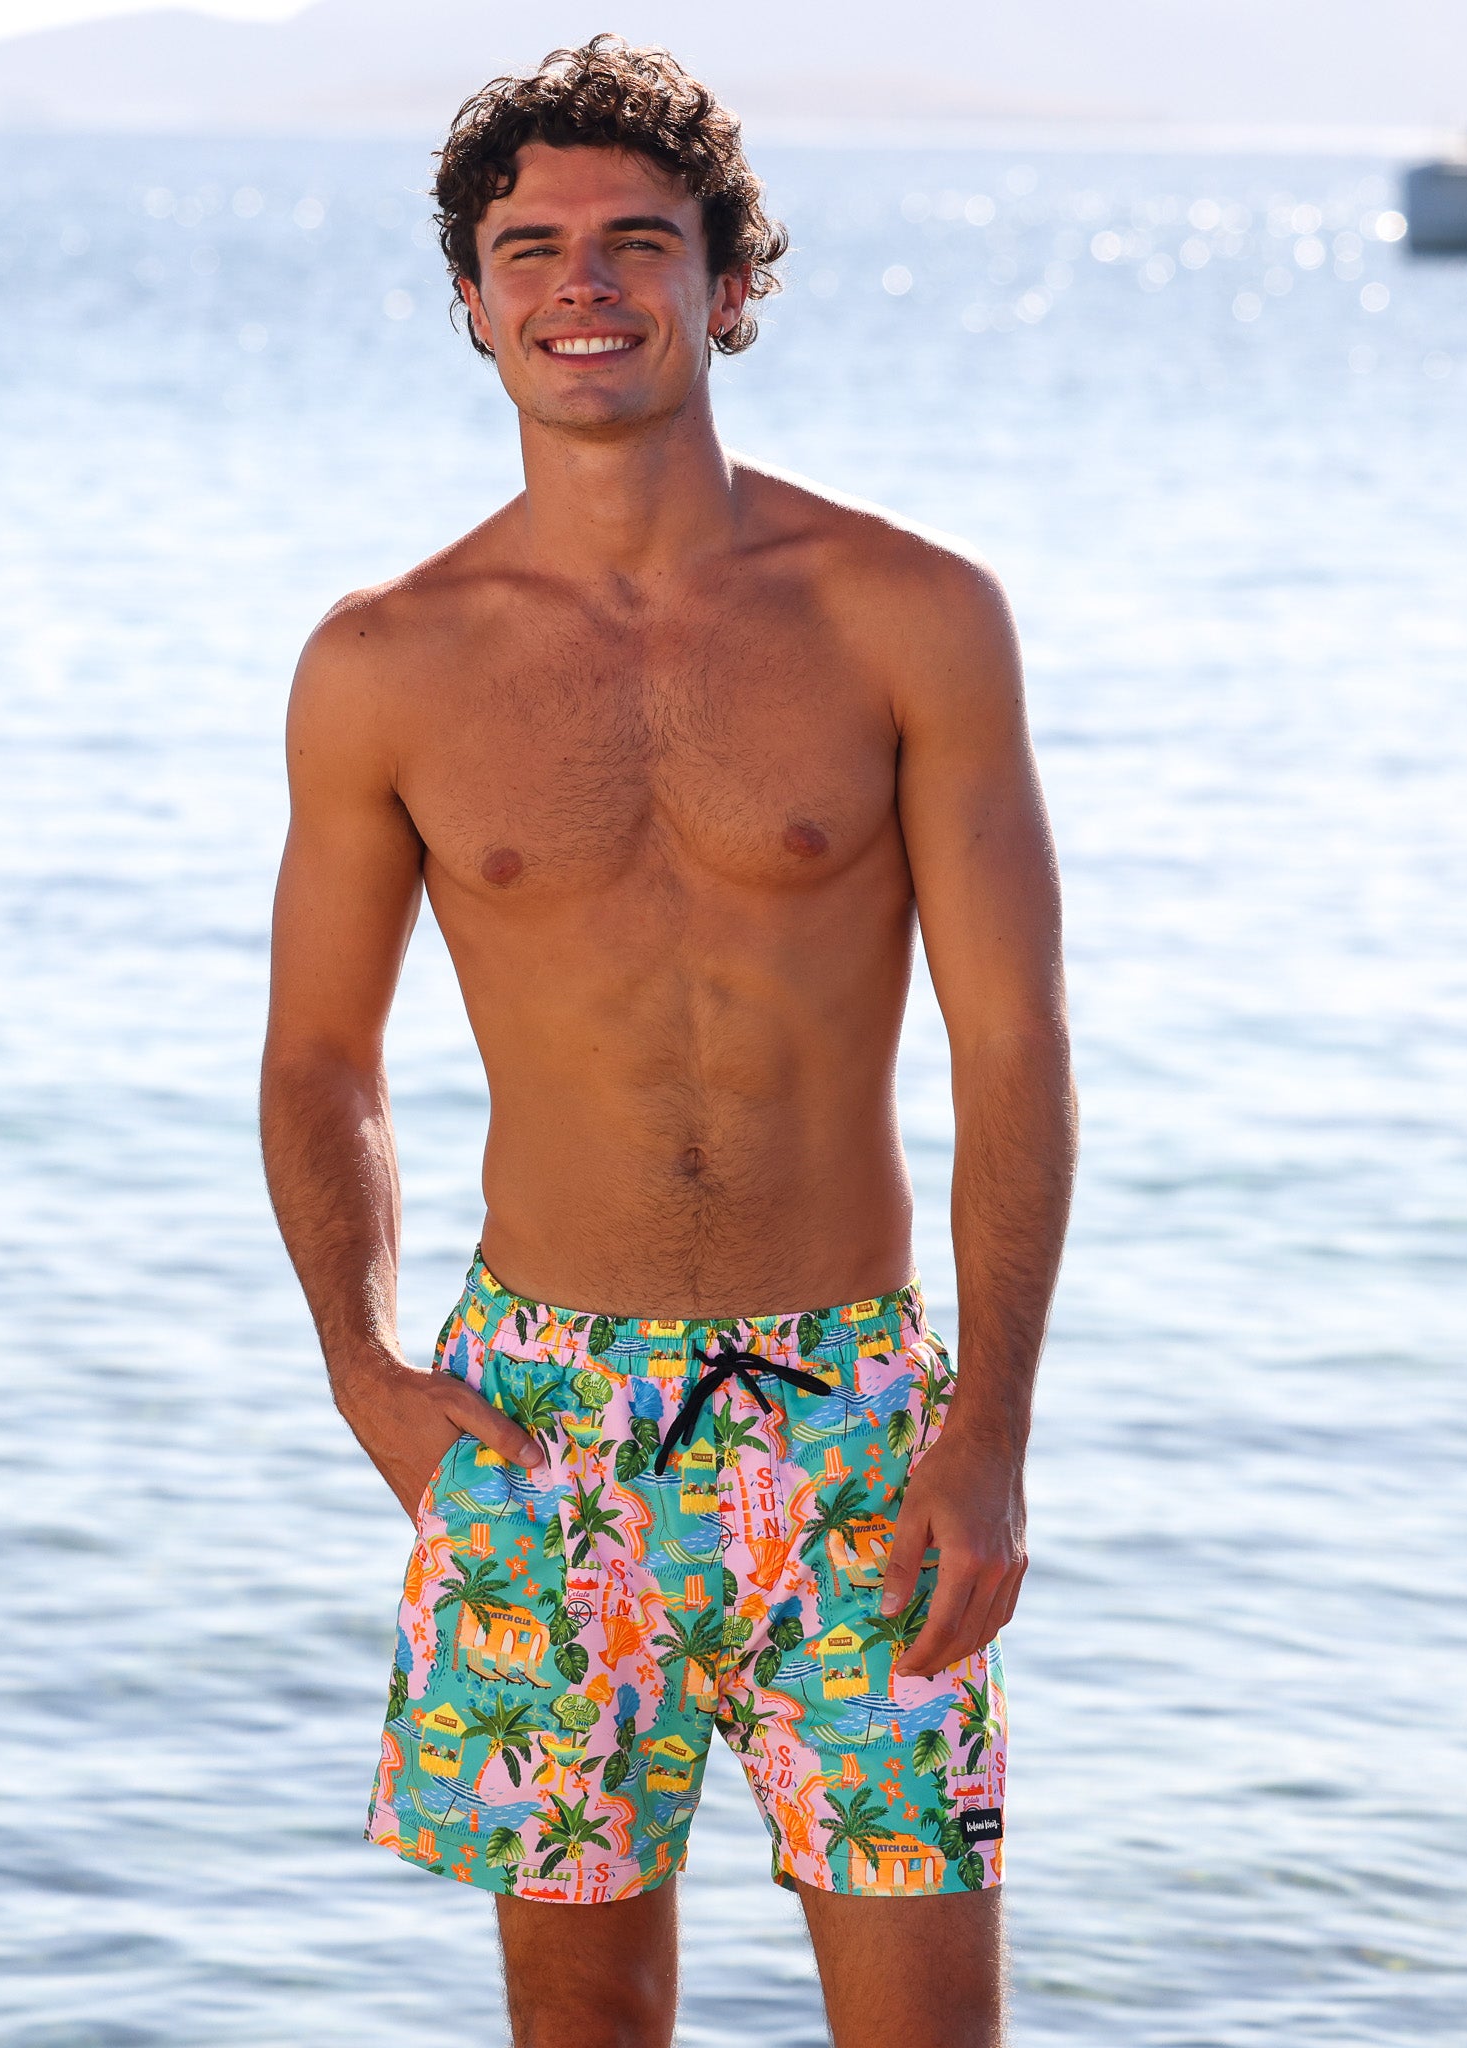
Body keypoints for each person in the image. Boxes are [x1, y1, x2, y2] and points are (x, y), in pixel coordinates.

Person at [259, 36, 1075, 2048]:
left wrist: (988, 1426)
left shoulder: (909, 615)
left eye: (640, 239)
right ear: (473, 303)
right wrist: (365, 1371)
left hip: (859, 1422)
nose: (585, 283)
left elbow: (1014, 1046)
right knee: (586, 2029)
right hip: (538, 1421)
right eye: (530, 248)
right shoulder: (382, 663)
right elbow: (320, 1058)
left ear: (730, 285)